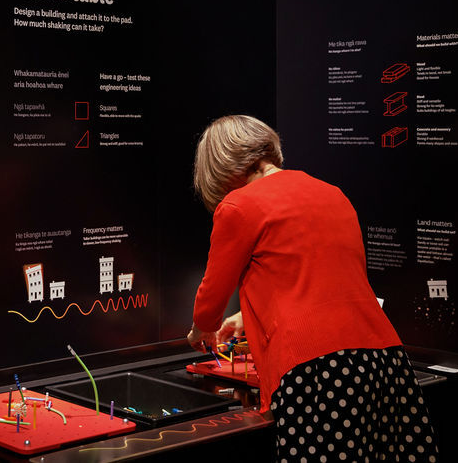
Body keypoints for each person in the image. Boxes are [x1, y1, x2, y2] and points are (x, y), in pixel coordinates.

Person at [186, 115, 438, 462]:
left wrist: (203, 328)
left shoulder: (238, 205)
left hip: (318, 371)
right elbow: (321, 280)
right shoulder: (331, 192)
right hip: (386, 359)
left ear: (221, 167)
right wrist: (247, 317)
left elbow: (210, 300)